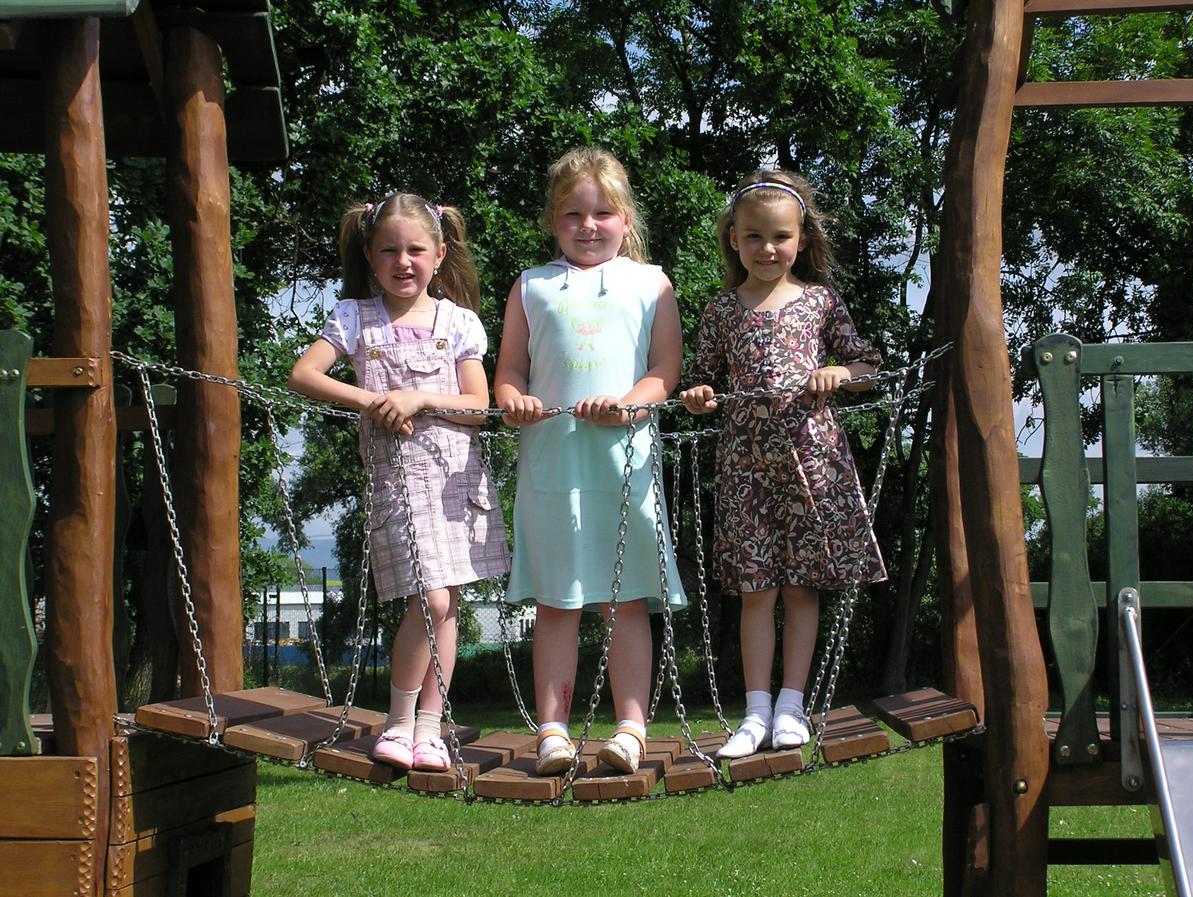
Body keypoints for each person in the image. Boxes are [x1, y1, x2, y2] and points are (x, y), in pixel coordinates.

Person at [289, 191, 509, 772]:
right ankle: (400, 721)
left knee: (446, 603)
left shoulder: (458, 322)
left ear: (439, 255)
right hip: (398, 486)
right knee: (428, 599)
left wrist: (418, 398)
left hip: (456, 486)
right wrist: (373, 400)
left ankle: (429, 729)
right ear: (369, 254)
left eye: (415, 250)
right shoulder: (354, 318)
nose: (403, 262)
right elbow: (304, 374)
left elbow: (478, 406)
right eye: (389, 250)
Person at [680, 170, 887, 759]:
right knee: (756, 591)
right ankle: (755, 712)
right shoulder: (722, 309)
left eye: (780, 237)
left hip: (811, 461)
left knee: (801, 588)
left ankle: (792, 706)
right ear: (734, 239)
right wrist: (699, 395)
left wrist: (840, 372)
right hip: (745, 466)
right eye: (753, 236)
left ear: (801, 239)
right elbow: (701, 379)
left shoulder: (821, 301)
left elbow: (868, 365)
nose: (767, 248)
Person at [494, 147, 687, 776]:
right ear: (553, 220)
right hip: (552, 465)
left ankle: (631, 729)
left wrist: (630, 405)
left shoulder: (652, 282)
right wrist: (514, 400)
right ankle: (552, 733)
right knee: (557, 602)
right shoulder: (531, 285)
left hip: (624, 466)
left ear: (625, 219)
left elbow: (664, 369)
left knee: (624, 600)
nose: (588, 225)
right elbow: (510, 371)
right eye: (573, 214)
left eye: (603, 212)